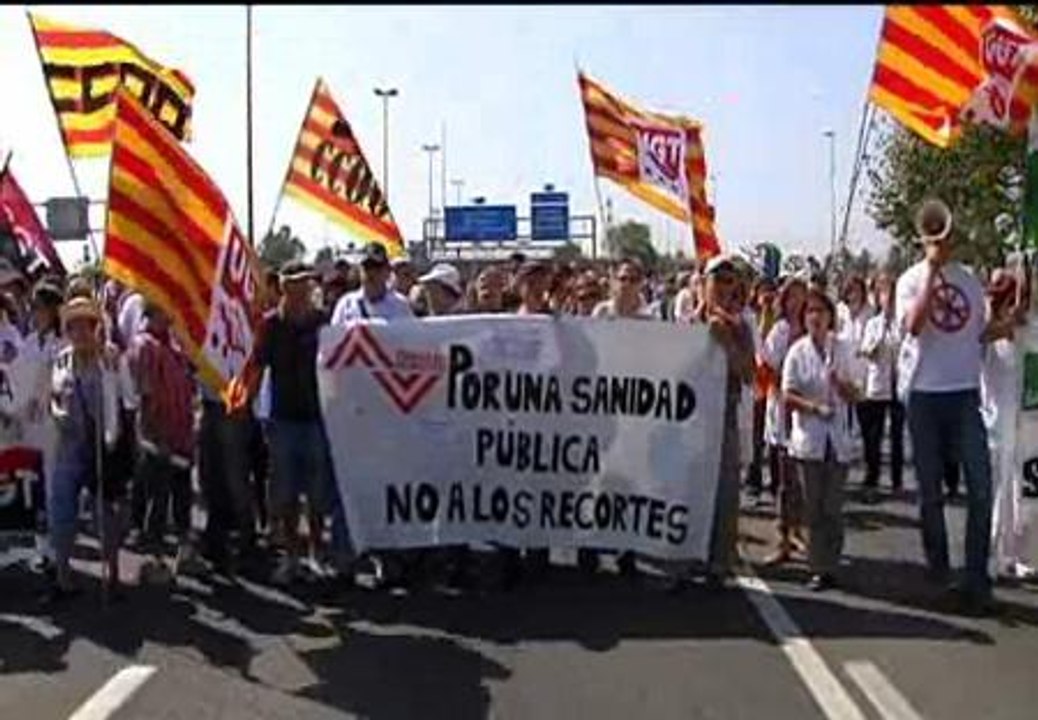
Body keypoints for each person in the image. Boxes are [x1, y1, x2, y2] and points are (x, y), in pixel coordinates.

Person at [895, 198, 1009, 613]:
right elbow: (914, 324)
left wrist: (1010, 322)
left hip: (964, 394)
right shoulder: (909, 279)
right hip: (924, 395)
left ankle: (976, 577)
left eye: (944, 233)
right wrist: (931, 269)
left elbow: (978, 333)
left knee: (981, 488)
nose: (941, 239)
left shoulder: (970, 282)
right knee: (930, 493)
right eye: (933, 234)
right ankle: (939, 572)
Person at [330, 243, 414, 588]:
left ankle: (387, 558)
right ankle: (345, 560)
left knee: (385, 487)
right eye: (366, 266)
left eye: (377, 267)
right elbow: (332, 350)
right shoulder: (345, 306)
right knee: (349, 487)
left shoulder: (401, 308)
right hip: (352, 411)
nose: (371, 272)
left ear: (387, 271)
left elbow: (413, 351)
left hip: (388, 411)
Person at [46, 297, 123, 603]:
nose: (78, 332)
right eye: (72, 326)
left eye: (84, 325)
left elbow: (122, 401)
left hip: (101, 447)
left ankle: (113, 572)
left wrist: (115, 438)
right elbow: (53, 394)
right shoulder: (62, 360)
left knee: (105, 513)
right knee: (62, 509)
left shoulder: (110, 360)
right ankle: (63, 576)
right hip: (69, 446)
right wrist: (56, 412)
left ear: (95, 328)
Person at [782, 288, 860, 591]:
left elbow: (857, 394)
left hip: (837, 439)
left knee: (833, 507)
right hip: (809, 439)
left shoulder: (843, 349)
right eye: (810, 312)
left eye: (821, 311)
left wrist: (840, 384)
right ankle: (816, 566)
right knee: (813, 507)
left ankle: (831, 564)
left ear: (831, 317)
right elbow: (787, 395)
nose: (815, 317)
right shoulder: (797, 352)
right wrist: (813, 408)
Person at [126, 302, 198, 583]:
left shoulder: (174, 345)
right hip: (159, 438)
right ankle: (154, 560)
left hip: (181, 435)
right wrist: (154, 436)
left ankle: (185, 553)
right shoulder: (145, 346)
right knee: (158, 499)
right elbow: (145, 396)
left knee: (182, 496)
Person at [981, 267, 1035, 582]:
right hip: (997, 422)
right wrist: (1007, 325)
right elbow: (983, 335)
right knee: (998, 492)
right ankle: (994, 556)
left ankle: (1022, 554)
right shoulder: (989, 330)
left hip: (1028, 422)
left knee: (1026, 491)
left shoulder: (1030, 328)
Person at [760, 276, 809, 563]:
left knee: (802, 478)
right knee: (784, 479)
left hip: (807, 410)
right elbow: (766, 368)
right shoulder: (780, 330)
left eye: (802, 296)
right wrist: (786, 385)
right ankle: (782, 536)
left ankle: (799, 531)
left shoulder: (812, 327)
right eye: (792, 296)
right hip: (783, 408)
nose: (797, 302)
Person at [22, 282, 65, 576]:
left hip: (52, 425)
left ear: (52, 311)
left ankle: (56, 550)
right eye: (32, 307)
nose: (33, 312)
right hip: (28, 424)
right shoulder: (28, 342)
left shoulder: (61, 345)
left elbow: (61, 383)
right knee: (32, 486)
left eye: (38, 307)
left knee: (52, 486)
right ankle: (41, 548)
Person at [858, 272, 904, 502]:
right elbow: (865, 350)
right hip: (877, 385)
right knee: (873, 437)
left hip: (899, 385)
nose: (889, 299)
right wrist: (872, 348)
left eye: (892, 295)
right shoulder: (873, 324)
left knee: (897, 435)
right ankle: (872, 478)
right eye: (885, 294)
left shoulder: (901, 324)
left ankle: (897, 480)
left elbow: (905, 348)